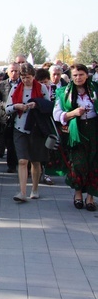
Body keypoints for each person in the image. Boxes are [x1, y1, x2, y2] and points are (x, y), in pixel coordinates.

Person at [54, 64, 98, 211]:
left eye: (81, 74)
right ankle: (78, 193)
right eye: (75, 75)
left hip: (94, 129)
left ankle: (90, 197)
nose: (78, 78)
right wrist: (73, 113)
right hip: (76, 131)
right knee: (78, 163)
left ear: (87, 75)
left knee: (93, 163)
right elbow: (57, 114)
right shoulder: (63, 92)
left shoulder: (95, 90)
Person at [6, 63, 50, 202]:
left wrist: (36, 104)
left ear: (33, 76)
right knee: (23, 160)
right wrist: (16, 106)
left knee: (35, 161)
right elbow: (7, 108)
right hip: (19, 128)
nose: (25, 80)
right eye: (23, 77)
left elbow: (49, 106)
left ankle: (35, 189)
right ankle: (22, 192)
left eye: (28, 77)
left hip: (36, 128)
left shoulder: (41, 88)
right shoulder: (15, 88)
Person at [0, 63, 21, 173]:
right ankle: (11, 165)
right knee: (9, 142)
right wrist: (6, 105)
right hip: (7, 117)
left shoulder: (23, 84)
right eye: (12, 71)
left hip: (20, 115)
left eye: (17, 71)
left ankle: (21, 162)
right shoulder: (1, 84)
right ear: (7, 72)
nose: (14, 73)